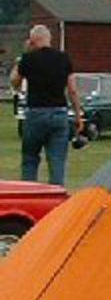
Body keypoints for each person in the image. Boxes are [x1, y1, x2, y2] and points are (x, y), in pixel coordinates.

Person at [8, 25, 83, 186]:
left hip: (35, 113)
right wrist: (78, 115)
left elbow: (14, 82)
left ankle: (29, 193)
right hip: (59, 113)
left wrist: (21, 58)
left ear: (32, 41)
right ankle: (56, 195)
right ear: (49, 39)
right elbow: (72, 90)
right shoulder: (63, 58)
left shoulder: (28, 59)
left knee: (30, 159)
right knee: (57, 161)